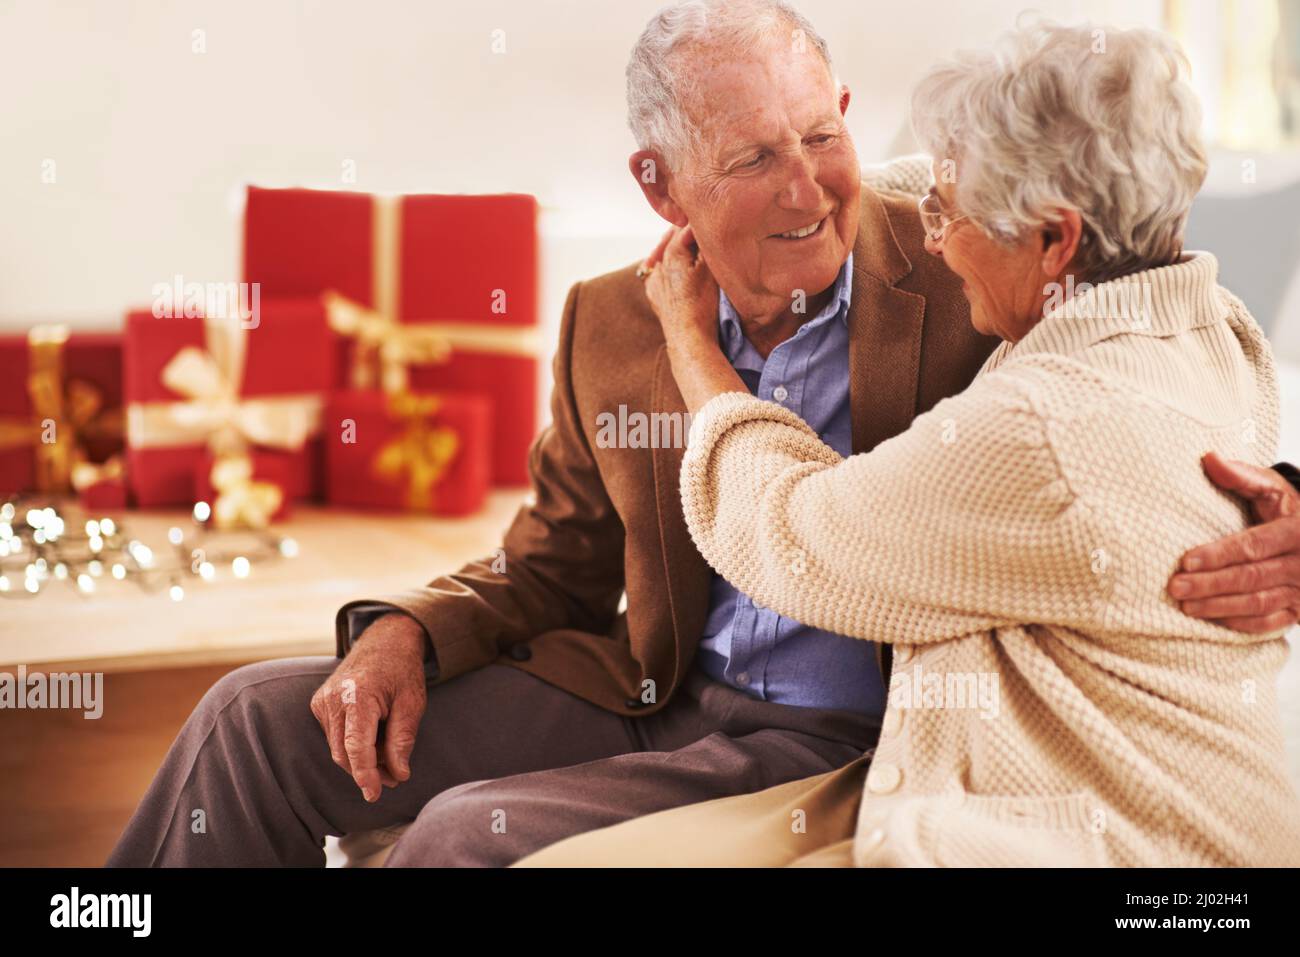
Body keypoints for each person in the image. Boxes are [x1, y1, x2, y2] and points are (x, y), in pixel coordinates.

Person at [109, 2, 1300, 868]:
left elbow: (1168, 319)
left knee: (470, 838)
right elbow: (551, 562)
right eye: (752, 160)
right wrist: (408, 632)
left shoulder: (970, 260)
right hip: (661, 693)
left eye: (820, 135)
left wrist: (1292, 490)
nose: (809, 189)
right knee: (251, 721)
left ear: (846, 114)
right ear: (659, 184)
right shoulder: (611, 319)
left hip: (848, 729)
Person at [517, 19, 1300, 867]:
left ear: (1055, 238)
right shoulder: (1214, 328)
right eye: (757, 156)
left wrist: (695, 350)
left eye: (948, 211)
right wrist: (812, 176)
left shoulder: (1033, 425)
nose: (927, 235)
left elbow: (791, 531)